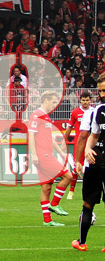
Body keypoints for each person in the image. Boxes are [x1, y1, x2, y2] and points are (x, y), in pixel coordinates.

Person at [28, 91, 72, 225]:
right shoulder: (37, 115)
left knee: (46, 187)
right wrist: (34, 154)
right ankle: (55, 204)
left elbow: (49, 138)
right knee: (68, 176)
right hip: (43, 156)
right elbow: (31, 134)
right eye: (53, 102)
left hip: (47, 154)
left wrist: (60, 152)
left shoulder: (46, 117)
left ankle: (47, 220)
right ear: (46, 100)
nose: (54, 105)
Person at [72, 78, 105, 251]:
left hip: (98, 161)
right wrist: (87, 151)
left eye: (104, 90)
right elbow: (93, 135)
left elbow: (85, 135)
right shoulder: (98, 110)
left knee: (88, 204)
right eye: (100, 91)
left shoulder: (95, 111)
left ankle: (81, 242)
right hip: (95, 160)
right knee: (88, 203)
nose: (102, 95)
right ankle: (82, 242)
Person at [66, 92, 93, 200]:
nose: (85, 102)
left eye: (87, 100)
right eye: (83, 100)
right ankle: (71, 191)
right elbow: (69, 127)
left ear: (90, 100)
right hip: (79, 143)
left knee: (92, 167)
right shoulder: (75, 112)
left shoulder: (93, 111)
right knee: (77, 166)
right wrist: (64, 140)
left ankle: (93, 190)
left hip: (91, 143)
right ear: (80, 101)